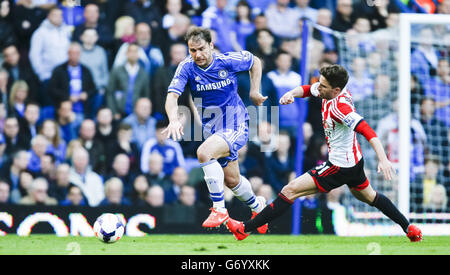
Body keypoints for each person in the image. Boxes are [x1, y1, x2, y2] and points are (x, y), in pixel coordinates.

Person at [225, 64, 423, 242]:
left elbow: (368, 131)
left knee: (290, 190)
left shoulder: (342, 108)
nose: (318, 88)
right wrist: (291, 94)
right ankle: (409, 228)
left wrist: (383, 159)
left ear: (337, 90)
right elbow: (307, 89)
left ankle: (245, 228)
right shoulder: (328, 89)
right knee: (371, 197)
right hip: (355, 162)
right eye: (319, 84)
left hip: (339, 167)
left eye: (323, 86)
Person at [163, 26, 268, 232]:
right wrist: (173, 119)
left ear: (211, 45)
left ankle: (219, 209)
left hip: (236, 123)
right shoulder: (186, 67)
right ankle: (259, 210)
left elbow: (255, 61)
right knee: (232, 180)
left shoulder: (226, 61)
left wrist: (255, 90)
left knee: (203, 152)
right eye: (192, 50)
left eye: (201, 49)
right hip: (214, 129)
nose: (197, 55)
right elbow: (172, 96)